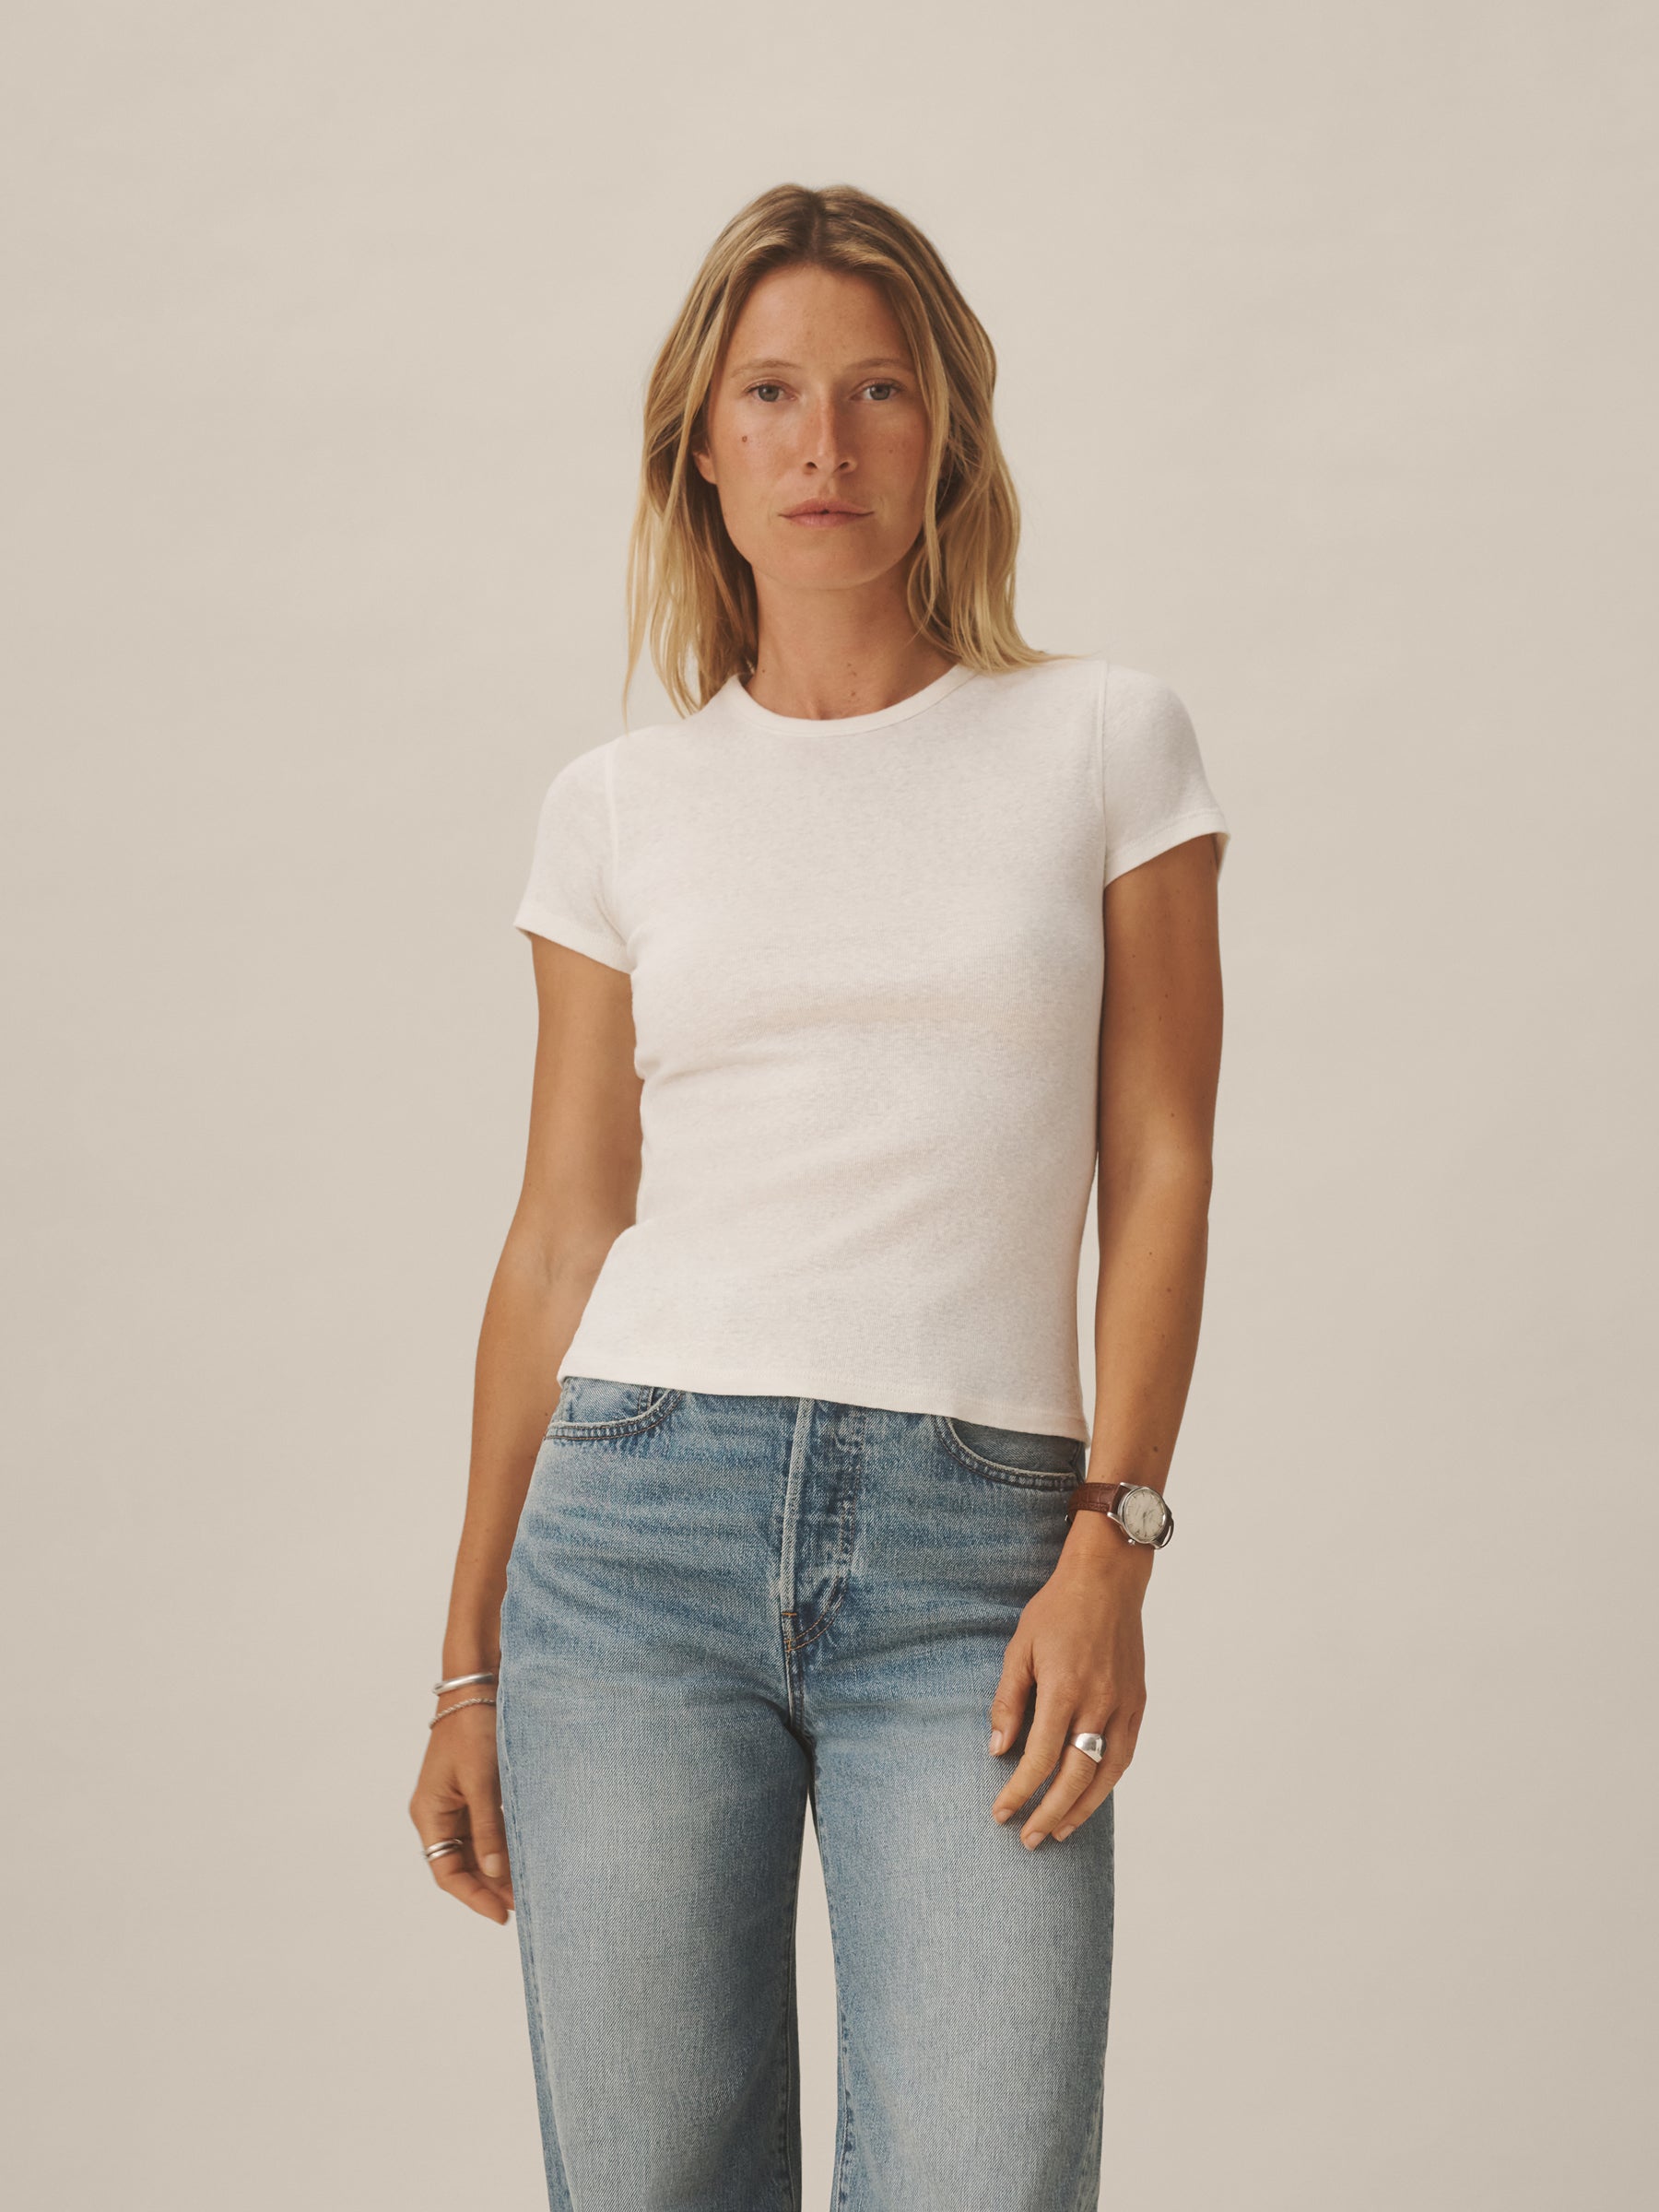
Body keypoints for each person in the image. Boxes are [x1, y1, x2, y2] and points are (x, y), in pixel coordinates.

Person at [408, 180, 1230, 2211]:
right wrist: (466, 1661)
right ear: (700, 442)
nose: (824, 442)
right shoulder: (618, 810)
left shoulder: (1105, 743)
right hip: (634, 1538)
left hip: (981, 1556)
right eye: (770, 392)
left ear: (947, 428)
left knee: (986, 2173)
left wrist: (1115, 1543)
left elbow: (1162, 1159)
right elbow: (562, 1229)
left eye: (878, 389)